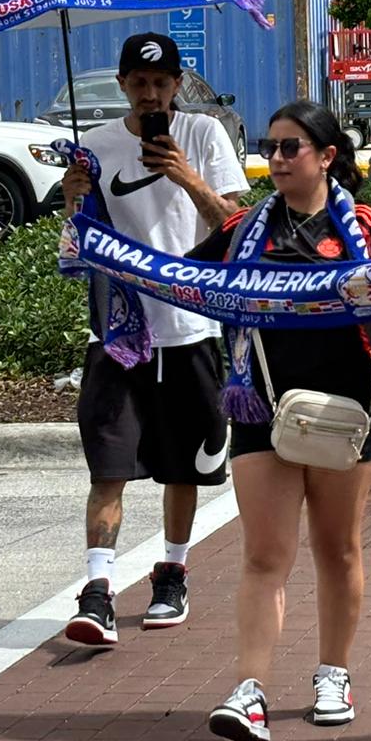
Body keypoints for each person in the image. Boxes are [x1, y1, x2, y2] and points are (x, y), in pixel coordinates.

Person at [192, 102, 371, 741]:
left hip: (347, 409)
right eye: (272, 147)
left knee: (337, 548)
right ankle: (250, 691)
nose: (278, 159)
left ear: (326, 156)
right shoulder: (242, 229)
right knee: (264, 555)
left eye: (291, 148)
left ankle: (333, 674)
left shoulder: (365, 227)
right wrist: (86, 224)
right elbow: (176, 276)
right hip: (259, 404)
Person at [62, 32, 248, 648]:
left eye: (161, 83)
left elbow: (235, 226)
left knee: (183, 466)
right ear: (122, 85)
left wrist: (186, 175)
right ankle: (97, 590)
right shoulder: (94, 147)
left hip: (190, 329)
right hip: (117, 333)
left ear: (177, 85)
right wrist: (74, 204)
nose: (150, 94)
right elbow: (73, 248)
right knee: (108, 465)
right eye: (138, 84)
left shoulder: (204, 136)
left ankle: (172, 572)